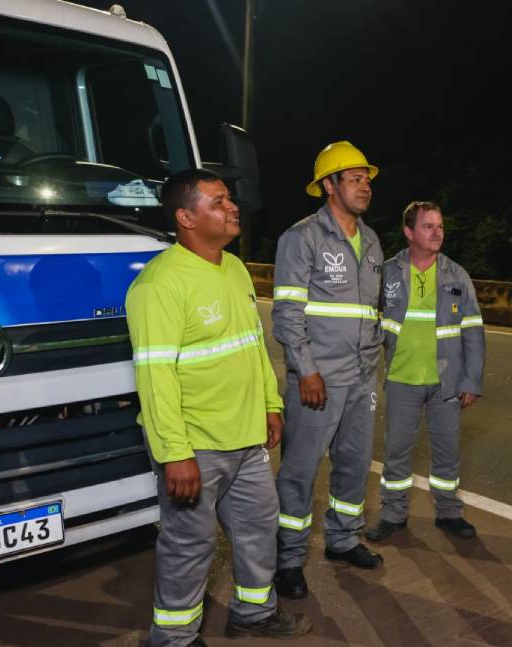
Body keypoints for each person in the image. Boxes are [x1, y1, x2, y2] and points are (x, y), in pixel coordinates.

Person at [127, 168, 311, 645]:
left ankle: (254, 611)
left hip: (247, 437)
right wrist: (175, 453)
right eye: (219, 201)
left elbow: (252, 345)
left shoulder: (232, 268)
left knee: (257, 529)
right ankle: (174, 639)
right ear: (186, 217)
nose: (232, 208)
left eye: (229, 199)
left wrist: (270, 405)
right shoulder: (158, 285)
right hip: (196, 444)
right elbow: (155, 375)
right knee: (190, 544)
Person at [270, 141, 385, 600]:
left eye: (367, 179)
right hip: (318, 378)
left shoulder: (372, 240)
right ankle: (289, 559)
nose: (365, 186)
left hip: (361, 376)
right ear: (328, 186)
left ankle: (342, 539)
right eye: (354, 178)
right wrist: (306, 371)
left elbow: (371, 311)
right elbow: (287, 314)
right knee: (299, 471)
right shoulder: (302, 238)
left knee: (355, 465)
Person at [365, 201, 486, 542]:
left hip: (445, 382)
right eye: (428, 226)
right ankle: (393, 514)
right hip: (402, 379)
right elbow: (367, 319)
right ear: (409, 232)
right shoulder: (388, 272)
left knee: (447, 451)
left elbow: (473, 330)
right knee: (396, 453)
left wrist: (471, 380)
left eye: (440, 226)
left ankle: (449, 513)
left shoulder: (456, 274)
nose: (437, 233)